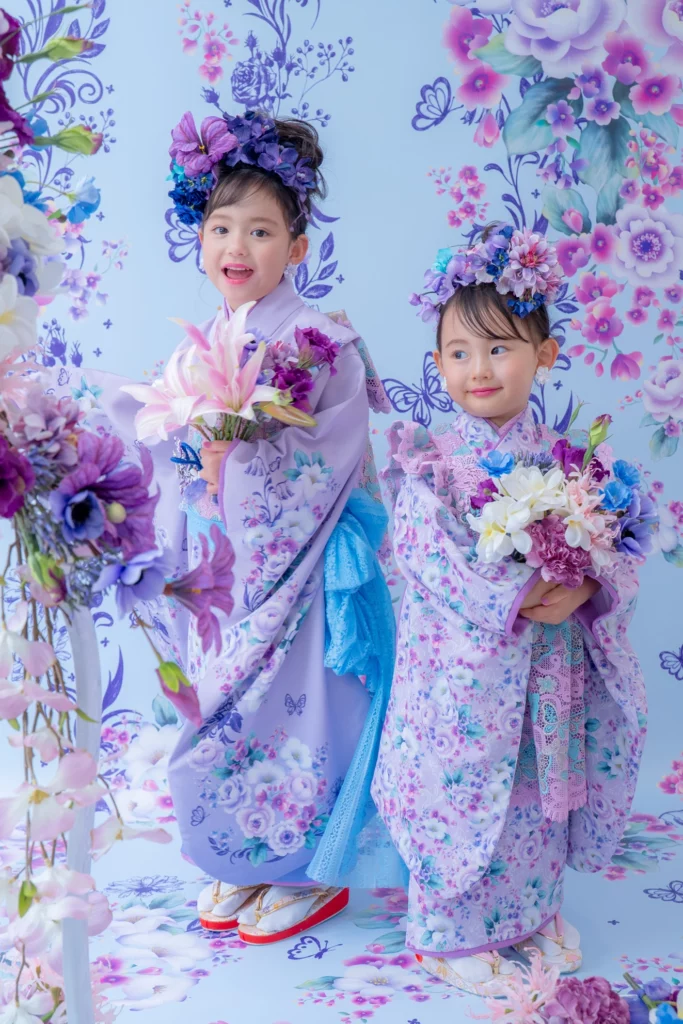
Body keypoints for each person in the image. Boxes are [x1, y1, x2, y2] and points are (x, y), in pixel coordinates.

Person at [74, 109, 403, 944]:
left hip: (301, 567)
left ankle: (306, 870)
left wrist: (236, 467)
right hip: (224, 567)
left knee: (295, 715)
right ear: (200, 238)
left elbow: (330, 456)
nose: (238, 245)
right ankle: (246, 855)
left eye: (262, 230)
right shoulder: (202, 346)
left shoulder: (321, 341)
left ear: (297, 248)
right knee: (221, 715)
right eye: (222, 226)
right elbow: (166, 445)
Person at [371, 225, 648, 996]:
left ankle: (529, 911)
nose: (479, 369)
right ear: (437, 365)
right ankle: (447, 933)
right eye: (459, 353)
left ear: (543, 354)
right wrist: (521, 597)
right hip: (463, 680)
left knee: (534, 790)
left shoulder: (570, 461)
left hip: (545, 672)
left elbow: (614, 548)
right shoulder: (433, 462)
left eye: (499, 348)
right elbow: (426, 557)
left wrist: (587, 587)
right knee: (463, 789)